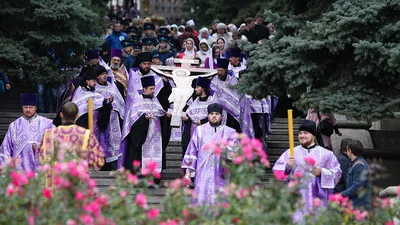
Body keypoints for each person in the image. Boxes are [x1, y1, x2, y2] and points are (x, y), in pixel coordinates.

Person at [273, 120, 342, 222]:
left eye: (305, 133)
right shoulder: (291, 153)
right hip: (297, 197)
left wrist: (322, 172)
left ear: (313, 136)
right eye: (300, 133)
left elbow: (338, 172)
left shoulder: (327, 154)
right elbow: (277, 171)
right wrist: (288, 167)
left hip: (318, 198)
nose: (301, 135)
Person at [182, 103, 236, 205]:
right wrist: (188, 173)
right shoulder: (199, 131)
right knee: (201, 199)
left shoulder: (229, 132)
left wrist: (225, 150)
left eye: (217, 114)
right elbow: (192, 151)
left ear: (221, 116)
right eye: (211, 114)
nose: (214, 116)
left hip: (221, 172)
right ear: (208, 116)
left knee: (221, 199)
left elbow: (236, 154)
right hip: (203, 172)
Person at [120, 76, 167, 173]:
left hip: (155, 137)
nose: (153, 91)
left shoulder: (156, 101)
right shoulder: (136, 102)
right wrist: (143, 119)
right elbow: (132, 122)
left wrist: (167, 116)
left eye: (154, 88)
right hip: (142, 137)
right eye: (151, 89)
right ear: (144, 89)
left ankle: (154, 177)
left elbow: (161, 114)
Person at [37, 102, 105, 169]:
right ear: (77, 115)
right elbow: (99, 161)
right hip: (78, 177)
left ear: (61, 115)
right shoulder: (86, 134)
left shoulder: (49, 134)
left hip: (57, 177)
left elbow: (42, 157)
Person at [0, 94, 54, 171]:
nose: (28, 110)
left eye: (31, 107)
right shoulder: (14, 125)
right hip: (19, 169)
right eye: (25, 107)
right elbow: (6, 148)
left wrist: (40, 147)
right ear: (22, 108)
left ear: (36, 108)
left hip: (39, 168)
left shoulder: (47, 123)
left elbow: (54, 143)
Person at [94, 65, 125, 170]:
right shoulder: (95, 88)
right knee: (101, 141)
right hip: (99, 120)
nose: (104, 76)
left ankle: (114, 166)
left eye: (105, 74)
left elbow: (119, 102)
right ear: (97, 77)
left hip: (113, 120)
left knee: (113, 143)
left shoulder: (112, 87)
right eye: (102, 74)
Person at [181, 77, 216, 155]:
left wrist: (202, 121)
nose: (195, 89)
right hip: (193, 133)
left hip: (207, 134)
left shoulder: (212, 101)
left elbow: (215, 116)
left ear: (203, 88)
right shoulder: (194, 101)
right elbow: (186, 112)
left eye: (197, 87)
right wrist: (186, 119)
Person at [210, 58, 241, 132]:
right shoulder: (214, 81)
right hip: (218, 111)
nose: (219, 73)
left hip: (232, 113)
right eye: (218, 70)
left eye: (222, 71)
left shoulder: (233, 81)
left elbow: (236, 96)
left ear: (226, 71)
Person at [341, 140, 371, 209]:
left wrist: (342, 194)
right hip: (356, 203)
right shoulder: (356, 163)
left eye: (347, 149)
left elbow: (357, 187)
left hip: (360, 205)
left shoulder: (359, 165)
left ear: (350, 151)